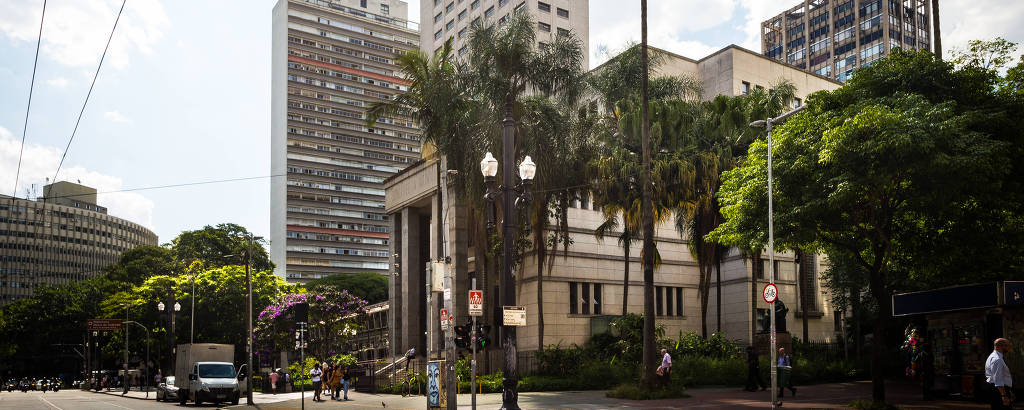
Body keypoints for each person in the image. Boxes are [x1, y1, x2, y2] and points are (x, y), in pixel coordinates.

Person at [986, 338, 1015, 410]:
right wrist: (1004, 396)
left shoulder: (994, 356)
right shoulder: (997, 359)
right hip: (998, 391)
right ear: (1002, 346)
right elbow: (998, 379)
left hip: (999, 389)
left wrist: (1009, 391)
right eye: (1008, 346)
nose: (1009, 348)